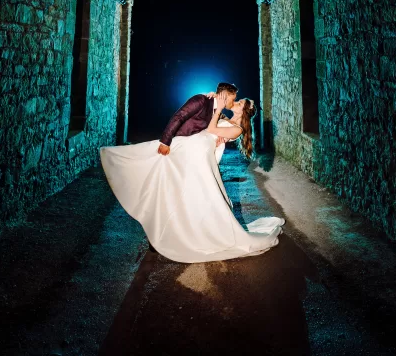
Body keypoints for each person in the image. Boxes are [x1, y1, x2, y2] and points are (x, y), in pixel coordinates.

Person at [99, 90, 284, 263]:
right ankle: (163, 230)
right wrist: (211, 98)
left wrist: (218, 112)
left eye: (240, 103)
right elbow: (209, 121)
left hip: (198, 156)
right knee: (168, 179)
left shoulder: (237, 129)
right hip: (192, 149)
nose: (236, 102)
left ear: (244, 111)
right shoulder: (227, 119)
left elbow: (211, 130)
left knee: (185, 192)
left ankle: (177, 235)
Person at [157, 82, 238, 155]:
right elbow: (179, 116)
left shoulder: (217, 110)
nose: (233, 102)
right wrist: (165, 142)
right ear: (225, 95)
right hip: (177, 144)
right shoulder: (202, 100)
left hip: (191, 149)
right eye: (233, 99)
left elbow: (222, 118)